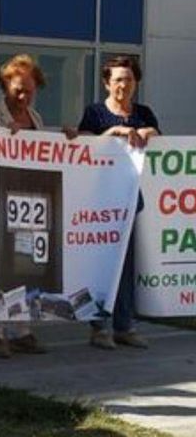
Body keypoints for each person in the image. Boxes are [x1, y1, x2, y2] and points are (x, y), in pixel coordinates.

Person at [0, 54, 53, 359]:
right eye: (18, 89)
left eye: (29, 90)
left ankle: (21, 330)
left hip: (29, 204)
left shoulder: (37, 120)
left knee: (25, 268)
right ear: (5, 85)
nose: (23, 96)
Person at [78, 55, 158, 350]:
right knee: (102, 263)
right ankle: (99, 327)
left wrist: (151, 133)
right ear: (106, 83)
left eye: (129, 79)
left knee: (128, 265)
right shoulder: (95, 113)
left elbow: (159, 144)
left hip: (134, 201)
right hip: (101, 203)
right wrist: (112, 133)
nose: (124, 85)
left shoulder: (144, 113)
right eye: (118, 80)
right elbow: (82, 144)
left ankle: (125, 325)